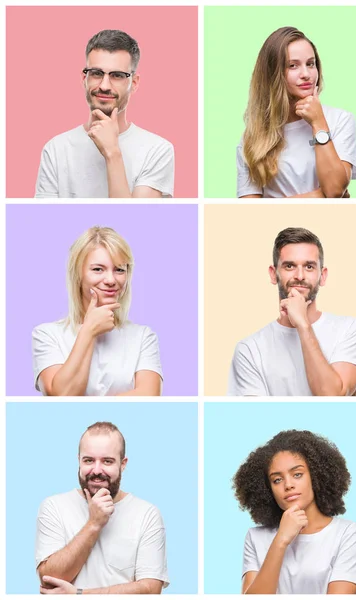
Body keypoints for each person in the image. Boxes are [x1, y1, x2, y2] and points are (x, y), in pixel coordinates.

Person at [227, 227, 356, 396]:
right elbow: (258, 418)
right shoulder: (249, 349)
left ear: (322, 275)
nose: (300, 276)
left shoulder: (351, 329)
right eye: (289, 266)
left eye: (309, 267)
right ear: (273, 274)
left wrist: (303, 325)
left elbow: (332, 397)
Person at [35, 30, 174, 198]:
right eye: (96, 73)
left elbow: (137, 221)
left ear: (134, 83)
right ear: (84, 78)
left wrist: (112, 152)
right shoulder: (55, 149)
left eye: (117, 75)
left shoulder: (157, 150)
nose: (105, 85)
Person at [36, 422, 169, 594]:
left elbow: (151, 590)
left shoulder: (147, 514)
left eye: (107, 461)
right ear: (79, 461)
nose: (97, 470)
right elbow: (48, 578)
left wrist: (79, 594)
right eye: (89, 460)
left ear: (123, 464)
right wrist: (94, 523)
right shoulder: (53, 507)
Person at [32, 226, 163, 396]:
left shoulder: (143, 337)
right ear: (78, 274)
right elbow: (61, 397)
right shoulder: (47, 334)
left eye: (119, 270)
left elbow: (149, 396)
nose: (111, 280)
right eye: (98, 269)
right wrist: (89, 330)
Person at [234, 430, 356, 594]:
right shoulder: (256, 538)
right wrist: (281, 540)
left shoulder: (348, 534)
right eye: (277, 479)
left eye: (297, 474)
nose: (288, 485)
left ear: (316, 476)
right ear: (268, 489)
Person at [237, 27, 356, 198]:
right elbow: (249, 213)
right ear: (273, 73)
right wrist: (318, 196)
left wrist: (318, 123)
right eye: (293, 66)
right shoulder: (253, 138)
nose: (306, 74)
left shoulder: (340, 120)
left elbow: (334, 190)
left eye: (310, 64)